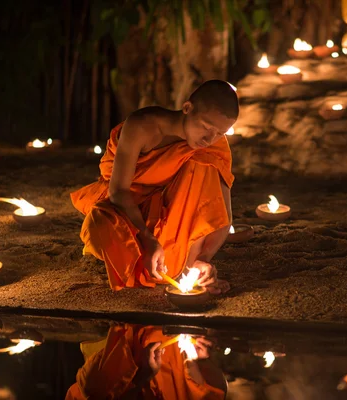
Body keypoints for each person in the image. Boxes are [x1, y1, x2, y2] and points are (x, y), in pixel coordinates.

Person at [71, 80, 237, 294]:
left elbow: (223, 213)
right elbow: (118, 191)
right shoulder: (142, 126)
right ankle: (158, 256)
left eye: (219, 132)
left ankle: (188, 263)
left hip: (167, 207)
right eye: (206, 127)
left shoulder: (212, 146)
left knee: (203, 166)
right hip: (127, 208)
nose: (210, 138)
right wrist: (147, 239)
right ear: (187, 108)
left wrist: (204, 259)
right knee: (99, 229)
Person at [65, 324, 226, 399]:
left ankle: (133, 329)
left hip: (128, 379)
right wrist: (194, 359)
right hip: (167, 370)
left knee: (95, 388)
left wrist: (142, 376)